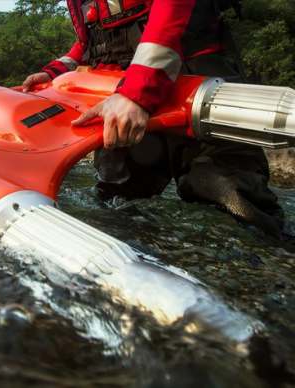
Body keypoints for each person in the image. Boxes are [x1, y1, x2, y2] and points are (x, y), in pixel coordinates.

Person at [22, 0, 285, 238]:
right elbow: (91, 39)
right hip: (117, 93)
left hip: (193, 77)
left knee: (228, 193)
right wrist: (57, 70)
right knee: (118, 201)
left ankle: (259, 273)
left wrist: (137, 92)